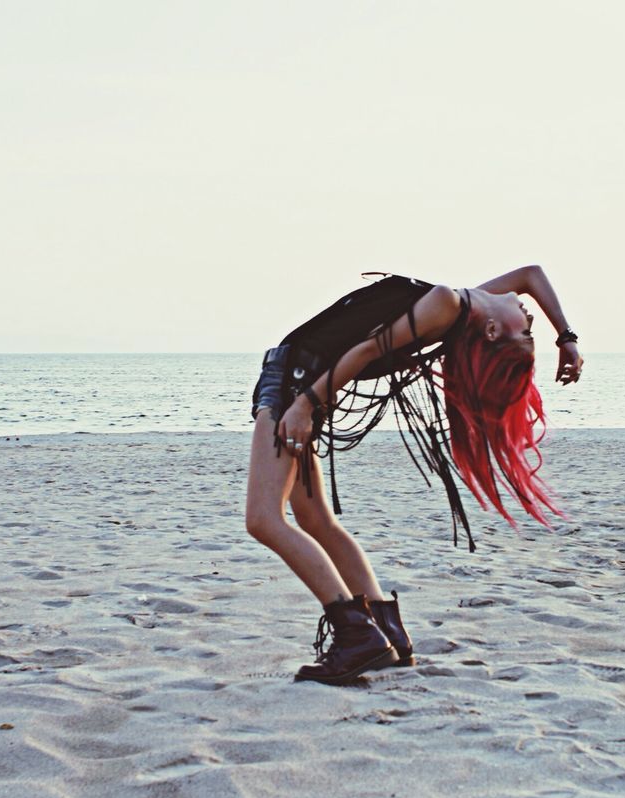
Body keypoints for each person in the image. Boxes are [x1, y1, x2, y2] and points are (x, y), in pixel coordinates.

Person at [245, 265, 582, 685]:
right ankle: (388, 632)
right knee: (315, 520)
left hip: (297, 383)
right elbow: (531, 274)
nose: (531, 321)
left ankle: (356, 635)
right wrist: (565, 337)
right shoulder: (468, 305)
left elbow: (366, 351)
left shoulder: (448, 303)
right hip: (304, 382)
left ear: (493, 331)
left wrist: (304, 406)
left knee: (264, 519)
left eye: (526, 333)